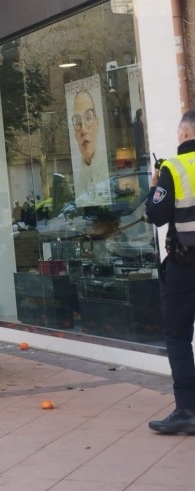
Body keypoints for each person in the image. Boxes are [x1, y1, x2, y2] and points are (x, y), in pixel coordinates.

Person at [144, 109, 195, 434]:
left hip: (185, 265)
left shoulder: (173, 168)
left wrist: (155, 186)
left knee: (177, 335)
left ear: (185, 133)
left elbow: (157, 215)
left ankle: (187, 410)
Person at [70, 89, 110, 207]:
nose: (83, 130)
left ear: (97, 122)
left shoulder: (109, 169)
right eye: (77, 122)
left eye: (88, 118)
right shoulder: (78, 179)